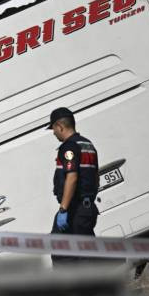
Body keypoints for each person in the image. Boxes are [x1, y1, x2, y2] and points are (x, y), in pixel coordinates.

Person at [48, 106, 100, 248]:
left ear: (60, 126)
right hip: (86, 209)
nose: (53, 133)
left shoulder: (69, 147)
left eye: (53, 129)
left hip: (74, 210)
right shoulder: (87, 144)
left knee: (65, 256)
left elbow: (72, 177)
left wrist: (63, 209)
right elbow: (96, 177)